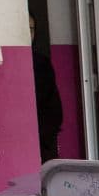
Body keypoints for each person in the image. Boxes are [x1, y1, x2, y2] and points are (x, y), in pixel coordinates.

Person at [30, 14, 64, 162]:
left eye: (31, 29)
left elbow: (53, 105)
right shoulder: (7, 62)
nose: (28, 34)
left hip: (44, 137)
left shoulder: (41, 62)